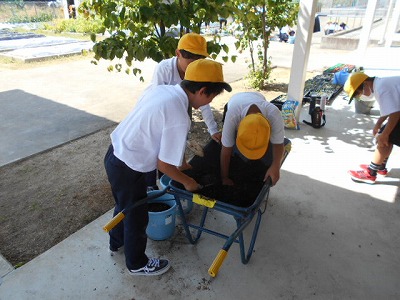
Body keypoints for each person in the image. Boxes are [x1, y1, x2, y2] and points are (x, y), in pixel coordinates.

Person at [104, 59, 232, 276]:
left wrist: (181, 162)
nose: (209, 102)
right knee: (137, 216)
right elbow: (163, 164)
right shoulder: (179, 116)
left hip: (115, 153)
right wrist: (189, 181)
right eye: (211, 96)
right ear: (202, 91)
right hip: (130, 167)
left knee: (124, 206)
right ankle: (137, 264)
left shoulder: (162, 91)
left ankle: (116, 243)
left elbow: (156, 132)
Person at [146, 32, 222, 191]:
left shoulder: (198, 75)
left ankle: (178, 167)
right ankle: (156, 182)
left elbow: (204, 102)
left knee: (179, 134)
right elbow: (157, 98)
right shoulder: (164, 69)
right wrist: (187, 181)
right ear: (178, 53)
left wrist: (213, 129)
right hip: (160, 109)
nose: (193, 63)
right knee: (156, 147)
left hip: (182, 102)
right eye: (190, 59)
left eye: (199, 59)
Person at [344, 72, 400, 184]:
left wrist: (384, 134)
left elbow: (395, 113)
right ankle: (380, 166)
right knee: (387, 133)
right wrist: (378, 124)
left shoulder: (381, 88)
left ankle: (371, 173)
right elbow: (391, 108)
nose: (360, 96)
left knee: (386, 135)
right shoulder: (380, 84)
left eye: (358, 93)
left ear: (365, 84)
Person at [220, 92, 285, 186]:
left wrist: (276, 166)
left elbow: (278, 144)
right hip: (235, 100)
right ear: (239, 126)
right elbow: (226, 150)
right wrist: (224, 177)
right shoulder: (232, 116)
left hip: (257, 96)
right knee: (227, 138)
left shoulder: (274, 114)